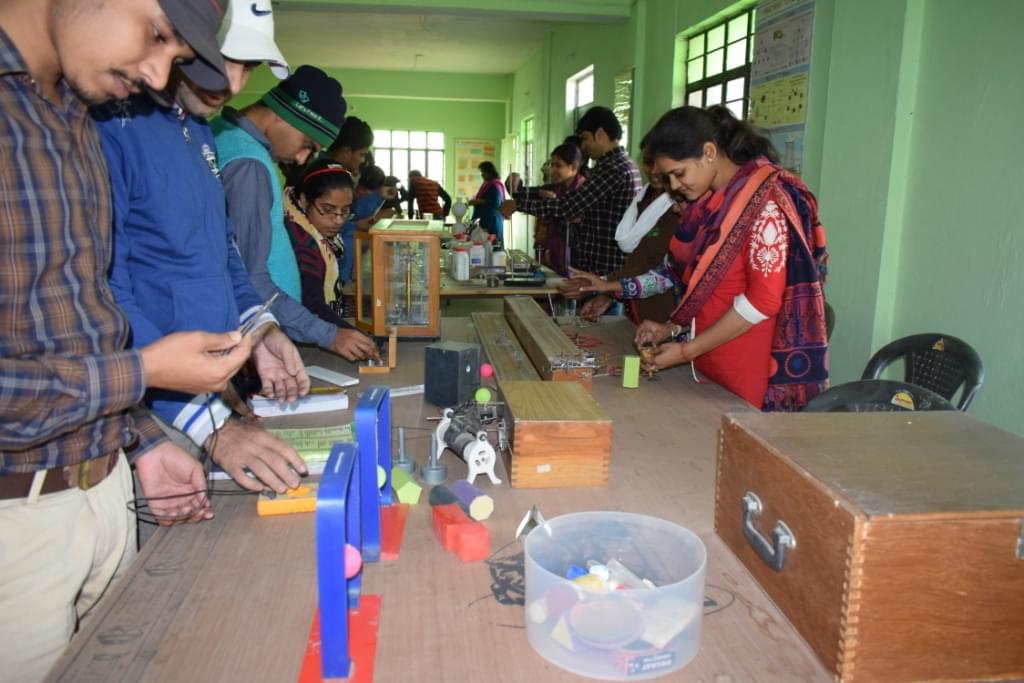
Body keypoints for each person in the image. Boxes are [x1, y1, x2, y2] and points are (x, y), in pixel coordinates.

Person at [0, 1, 252, 680]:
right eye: (158, 35)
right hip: (17, 525)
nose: (157, 74)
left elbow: (81, 322)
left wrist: (139, 440)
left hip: (107, 492)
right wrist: (143, 371)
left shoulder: (77, 113)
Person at [93, 0, 312, 498]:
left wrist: (260, 330)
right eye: (222, 58)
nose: (233, 84)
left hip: (211, 402)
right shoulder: (111, 124)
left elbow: (224, 255)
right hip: (152, 414)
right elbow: (104, 292)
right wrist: (210, 425)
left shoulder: (200, 131)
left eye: (248, 67)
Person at [575, 106, 829, 411]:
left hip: (746, 369)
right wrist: (673, 328)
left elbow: (763, 300)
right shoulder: (709, 206)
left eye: (678, 174)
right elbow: (692, 281)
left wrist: (686, 351)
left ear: (709, 152)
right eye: (668, 178)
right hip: (705, 362)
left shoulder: (765, 204)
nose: (674, 186)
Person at [212, 66, 378, 362]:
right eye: (307, 144)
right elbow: (250, 277)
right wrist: (328, 334)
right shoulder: (249, 164)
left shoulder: (224, 135)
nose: (302, 159)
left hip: (271, 328)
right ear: (284, 114)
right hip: (260, 334)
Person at [503, 106, 639, 276]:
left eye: (585, 138)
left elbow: (568, 206)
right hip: (601, 266)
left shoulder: (613, 168)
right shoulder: (623, 164)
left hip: (605, 268)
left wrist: (518, 205)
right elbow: (538, 194)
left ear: (600, 135)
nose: (583, 146)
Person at [568, 135, 679, 324]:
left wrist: (607, 285)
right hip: (637, 310)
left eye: (659, 164)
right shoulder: (644, 196)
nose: (654, 171)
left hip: (663, 314)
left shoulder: (678, 207)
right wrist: (609, 292)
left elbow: (658, 271)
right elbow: (650, 269)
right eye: (648, 162)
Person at [283, 160, 360, 330]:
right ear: (304, 200)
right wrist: (350, 334)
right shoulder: (303, 243)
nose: (338, 220)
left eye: (345, 210)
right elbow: (312, 305)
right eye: (328, 209)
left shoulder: (316, 232)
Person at [531, 142, 586, 276]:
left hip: (578, 257)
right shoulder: (558, 188)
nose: (553, 170)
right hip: (556, 253)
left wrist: (553, 206)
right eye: (552, 165)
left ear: (573, 167)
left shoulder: (584, 190)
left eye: (558, 166)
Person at [468, 161, 507, 242]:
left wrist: (477, 201)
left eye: (483, 172)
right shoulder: (487, 184)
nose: (481, 174)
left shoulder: (495, 185)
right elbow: (483, 198)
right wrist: (475, 200)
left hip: (492, 221)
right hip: (485, 219)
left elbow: (495, 203)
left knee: (492, 245)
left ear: (490, 172)